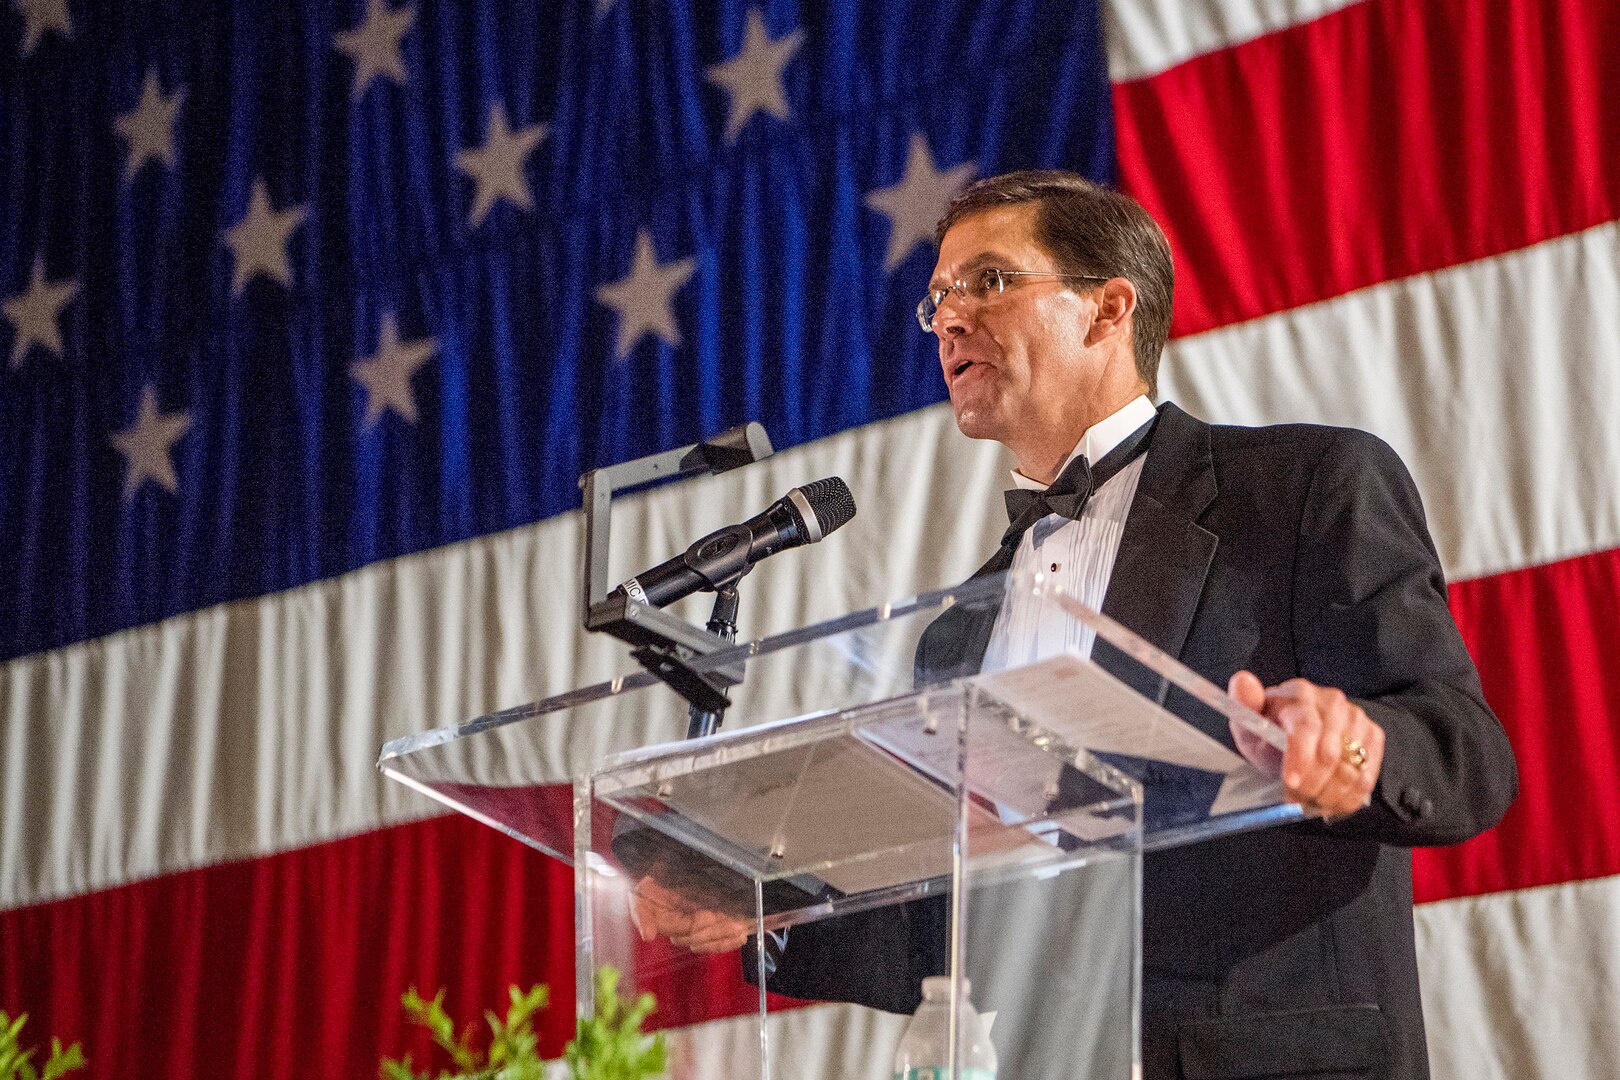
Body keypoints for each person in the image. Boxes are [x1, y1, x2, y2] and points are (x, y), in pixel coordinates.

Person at [631, 170, 1519, 1080]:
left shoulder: (1304, 489)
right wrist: (766, 903)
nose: (947, 318)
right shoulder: (957, 633)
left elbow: (1466, 755)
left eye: (988, 282)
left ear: (1108, 310)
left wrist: (1355, 750)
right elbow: (951, 921)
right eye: (937, 297)